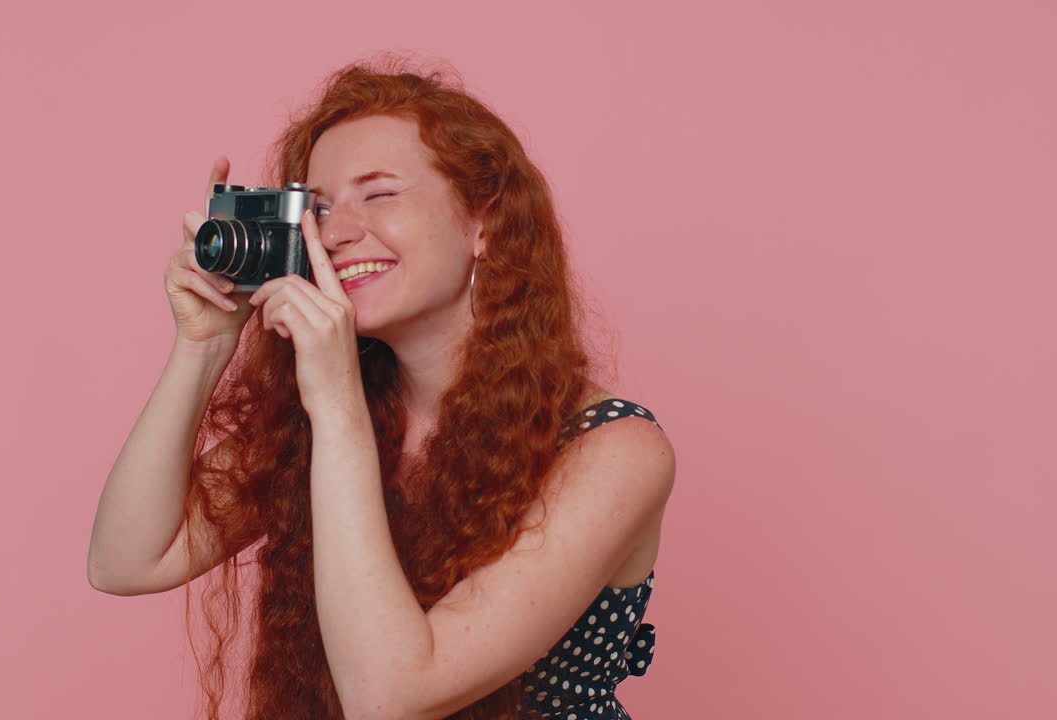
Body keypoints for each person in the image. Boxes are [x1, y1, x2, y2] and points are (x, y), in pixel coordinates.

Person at [87, 55, 676, 720]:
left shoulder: (618, 451)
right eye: (320, 208)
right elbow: (126, 560)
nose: (336, 233)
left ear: (484, 223)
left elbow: (394, 696)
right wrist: (205, 344)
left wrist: (336, 407)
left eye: (379, 194)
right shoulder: (337, 409)